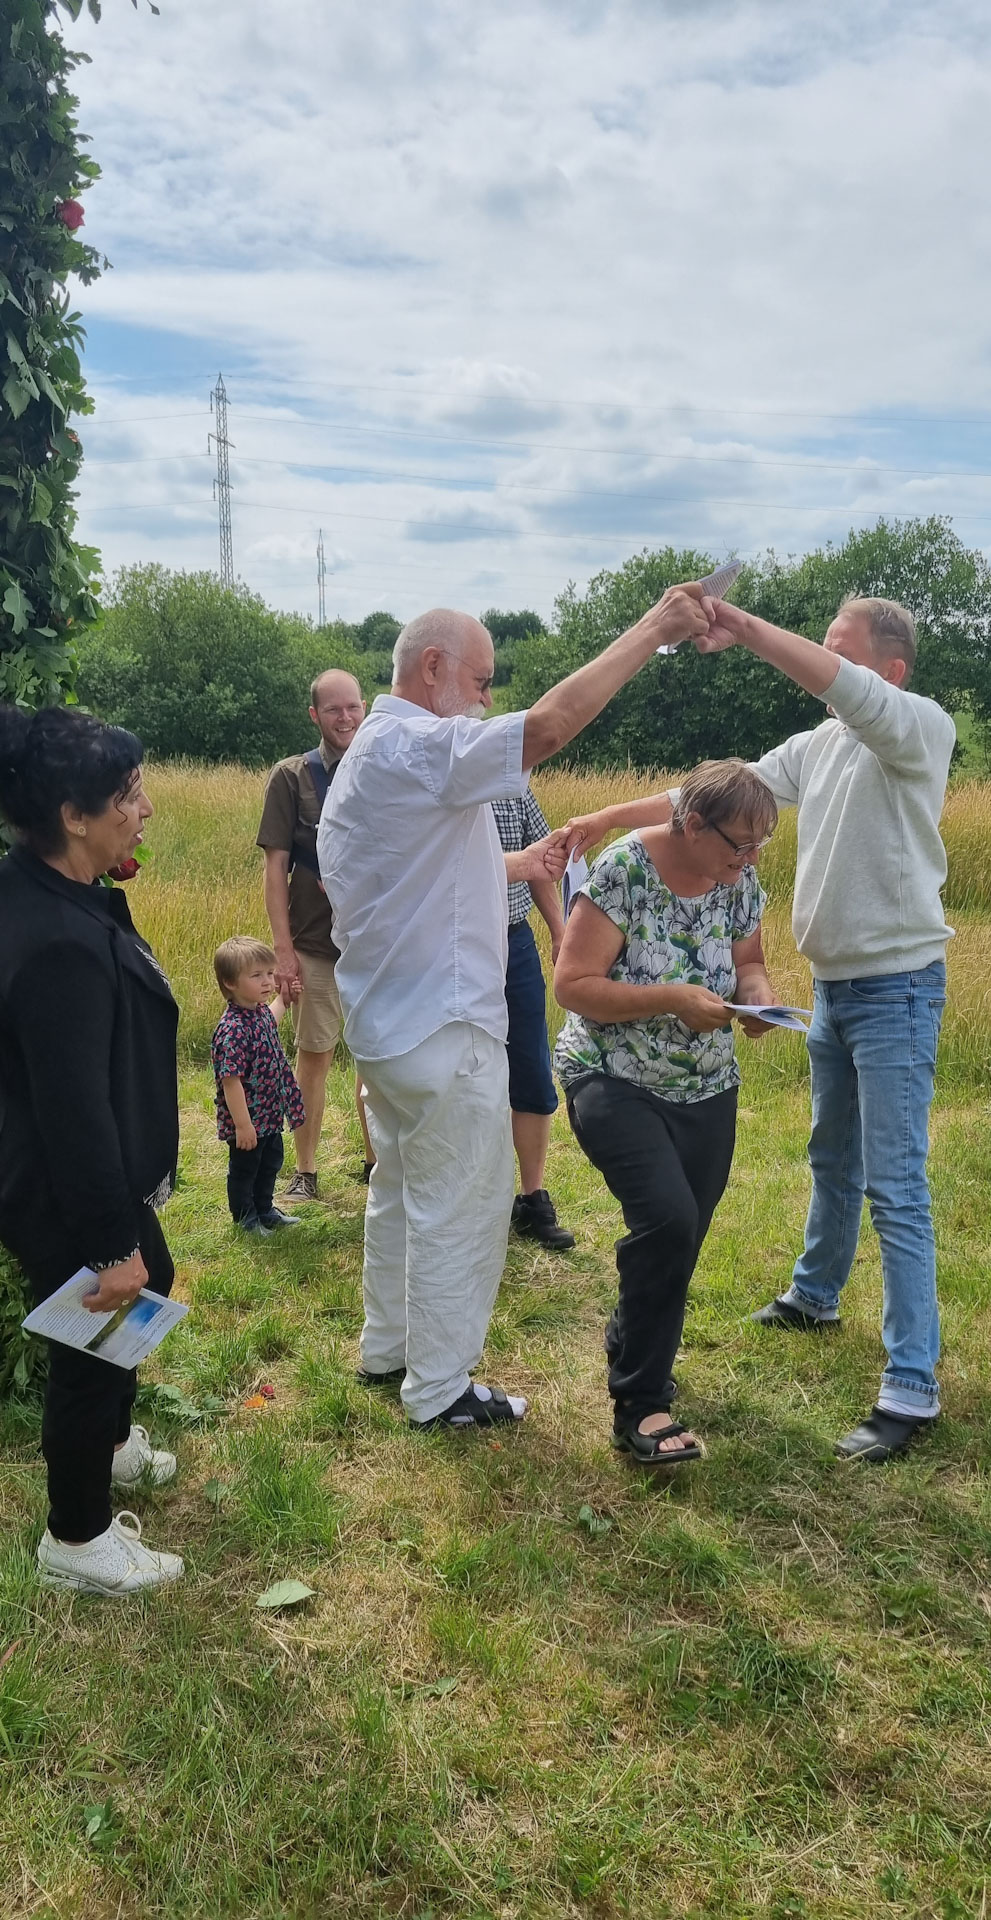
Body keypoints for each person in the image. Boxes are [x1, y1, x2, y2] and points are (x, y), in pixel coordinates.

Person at [562, 595, 956, 1463]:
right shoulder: (821, 746)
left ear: (888, 672)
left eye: (841, 654)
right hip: (839, 988)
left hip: (898, 988)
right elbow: (705, 799)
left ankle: (912, 1383)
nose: (825, 667)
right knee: (831, 1157)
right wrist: (607, 818)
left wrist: (740, 627)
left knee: (895, 1184)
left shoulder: (918, 728)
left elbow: (842, 687)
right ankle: (816, 1295)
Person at [317, 588, 713, 1432]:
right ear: (433, 668)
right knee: (461, 1203)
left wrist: (521, 861)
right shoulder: (421, 744)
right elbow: (548, 728)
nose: (488, 699)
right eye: (483, 681)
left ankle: (388, 1348)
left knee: (401, 1191)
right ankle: (440, 1390)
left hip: (389, 1026)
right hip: (442, 1026)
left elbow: (416, 877)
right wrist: (654, 628)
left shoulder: (375, 753)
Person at [0, 706, 184, 1595]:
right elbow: (71, 1114)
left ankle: (111, 1446)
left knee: (155, 1275)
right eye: (127, 796)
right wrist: (110, 1245)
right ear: (74, 816)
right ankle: (76, 1541)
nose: (142, 810)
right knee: (97, 1333)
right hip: (56, 1182)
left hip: (80, 1170)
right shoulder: (56, 943)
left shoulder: (48, 887)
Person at [553, 760, 780, 1464]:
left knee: (680, 1237)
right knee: (669, 1220)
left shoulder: (738, 879)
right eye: (738, 845)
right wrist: (672, 998)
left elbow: (750, 961)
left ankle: (631, 1334)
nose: (748, 861)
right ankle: (641, 1405)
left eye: (760, 847)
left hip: (708, 1085)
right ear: (692, 823)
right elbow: (573, 984)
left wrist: (758, 996)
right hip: (612, 1077)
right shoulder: (625, 870)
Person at [257, 669, 375, 1203]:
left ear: (365, 707)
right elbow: (274, 869)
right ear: (314, 715)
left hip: (375, 945)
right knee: (315, 1054)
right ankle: (305, 1171)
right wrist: (283, 952)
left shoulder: (382, 770)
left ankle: (376, 1163)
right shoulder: (291, 777)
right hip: (315, 944)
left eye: (353, 707)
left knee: (377, 1056)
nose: (345, 718)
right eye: (333, 709)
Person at [492, 786, 575, 1250]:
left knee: (531, 1067)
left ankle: (531, 1199)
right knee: (459, 1071)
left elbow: (540, 863)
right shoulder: (433, 779)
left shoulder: (513, 788)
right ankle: (470, 1198)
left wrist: (560, 932)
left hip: (514, 940)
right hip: (451, 944)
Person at [211, 936, 305, 1236]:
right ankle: (246, 1218)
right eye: (256, 975)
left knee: (270, 1162)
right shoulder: (232, 1029)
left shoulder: (258, 1011)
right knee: (245, 1169)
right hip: (249, 1118)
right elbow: (231, 1081)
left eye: (269, 973)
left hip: (268, 1113)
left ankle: (265, 1209)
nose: (267, 981)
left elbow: (271, 1019)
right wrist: (242, 1125)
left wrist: (284, 1000)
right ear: (230, 982)